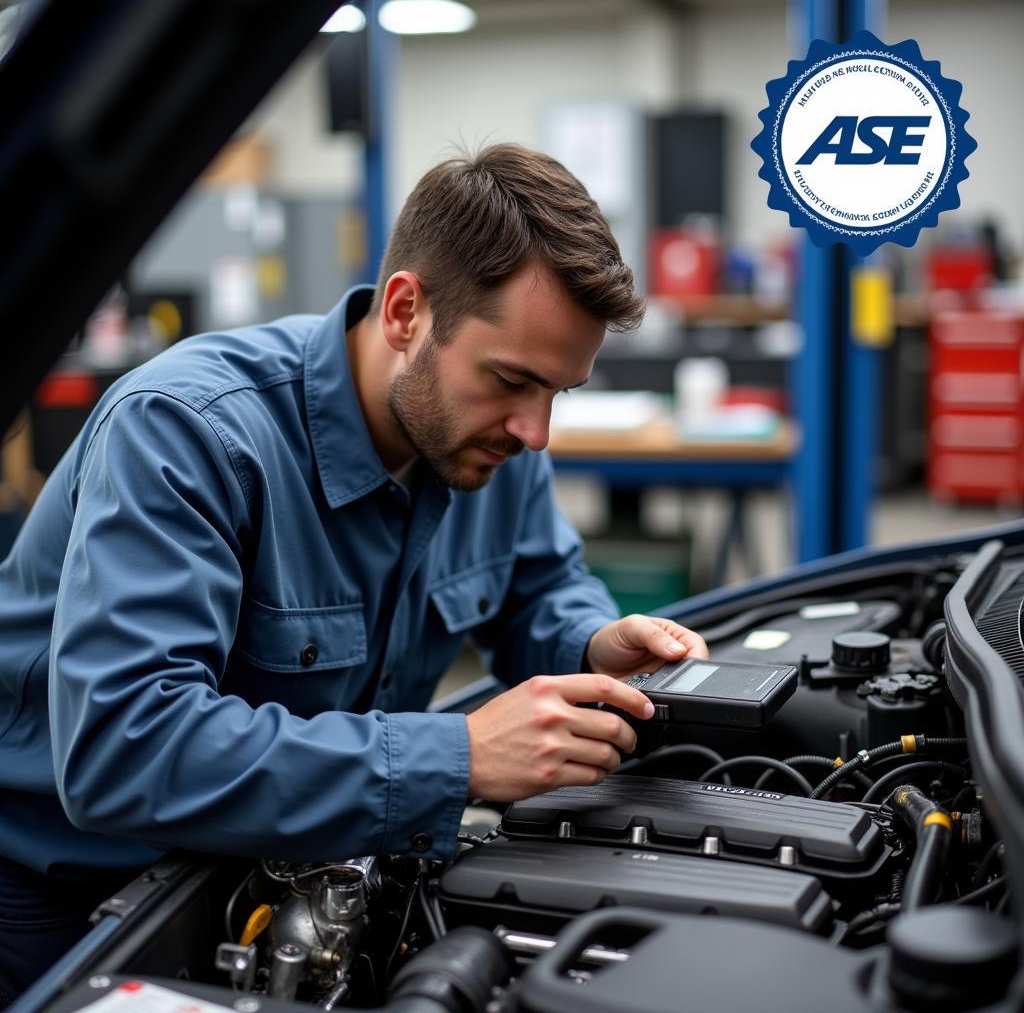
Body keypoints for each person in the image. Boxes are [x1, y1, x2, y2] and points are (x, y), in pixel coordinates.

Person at [0, 143, 707, 1004]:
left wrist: (592, 644)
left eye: (559, 391)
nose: (537, 432)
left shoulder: (489, 442)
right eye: (514, 380)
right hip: (63, 898)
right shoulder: (189, 435)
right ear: (407, 311)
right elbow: (125, 746)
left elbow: (537, 590)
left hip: (292, 865)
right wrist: (459, 757)